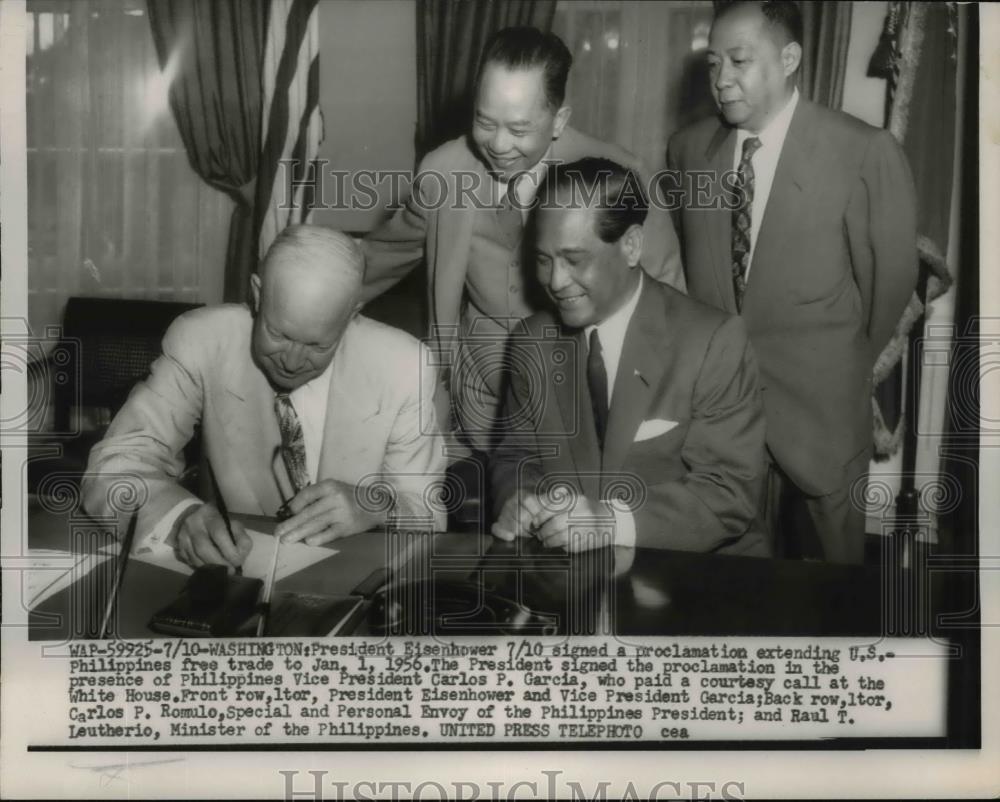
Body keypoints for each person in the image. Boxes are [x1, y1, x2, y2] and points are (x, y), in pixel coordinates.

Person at [666, 1, 918, 563]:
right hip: (722, 414)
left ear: (789, 59)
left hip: (822, 411)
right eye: (712, 64)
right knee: (727, 586)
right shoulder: (686, 152)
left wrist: (838, 362)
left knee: (836, 590)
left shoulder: (862, 152)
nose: (721, 79)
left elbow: (889, 286)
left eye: (738, 60)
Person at [362, 26, 683, 454]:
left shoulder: (621, 175)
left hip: (581, 406)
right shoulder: (443, 172)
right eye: (484, 121)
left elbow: (668, 298)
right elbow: (383, 255)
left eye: (518, 129)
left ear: (559, 121)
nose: (497, 145)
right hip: (478, 407)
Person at [82, 226, 445, 569]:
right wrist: (178, 520)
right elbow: (114, 465)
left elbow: (430, 509)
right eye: (279, 334)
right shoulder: (202, 341)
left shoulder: (403, 365)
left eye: (317, 345)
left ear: (351, 317)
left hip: (357, 577)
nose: (291, 361)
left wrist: (374, 505)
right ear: (257, 295)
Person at [490, 158, 767, 556]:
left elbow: (730, 491)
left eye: (574, 259)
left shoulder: (713, 342)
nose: (554, 282)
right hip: (573, 579)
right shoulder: (531, 342)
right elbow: (515, 456)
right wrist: (521, 498)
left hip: (694, 576)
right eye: (544, 260)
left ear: (632, 245)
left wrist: (609, 521)